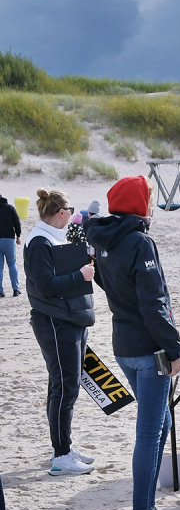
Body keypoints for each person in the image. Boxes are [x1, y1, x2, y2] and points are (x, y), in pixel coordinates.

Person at [85, 176, 180, 510]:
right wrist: (174, 349)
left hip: (125, 346)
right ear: (138, 204)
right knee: (149, 433)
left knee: (161, 424)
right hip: (147, 349)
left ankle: (147, 508)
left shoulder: (103, 239)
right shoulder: (139, 242)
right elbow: (153, 304)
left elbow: (105, 282)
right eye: (149, 199)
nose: (151, 206)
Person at [24, 188, 97, 475]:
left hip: (69, 318)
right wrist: (80, 275)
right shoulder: (39, 241)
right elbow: (45, 286)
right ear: (62, 212)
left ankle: (63, 446)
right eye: (70, 211)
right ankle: (61, 454)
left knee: (66, 385)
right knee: (64, 386)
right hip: (54, 321)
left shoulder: (54, 236)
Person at [0, 191, 21, 297]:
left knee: (0, 267)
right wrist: (18, 236)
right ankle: (15, 289)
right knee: (12, 264)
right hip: (9, 239)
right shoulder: (10, 208)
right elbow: (16, 223)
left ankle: (0, 291)